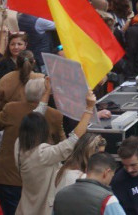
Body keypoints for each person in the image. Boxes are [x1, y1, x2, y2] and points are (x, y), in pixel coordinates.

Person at [11, 82, 92, 215]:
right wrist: (89, 108)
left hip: (24, 209)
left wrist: (47, 91)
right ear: (43, 131)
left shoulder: (19, 144)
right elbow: (73, 140)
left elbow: (35, 115)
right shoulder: (43, 154)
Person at [51, 151, 127, 215]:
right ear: (106, 173)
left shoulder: (60, 195)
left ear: (86, 169)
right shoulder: (107, 200)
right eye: (112, 175)